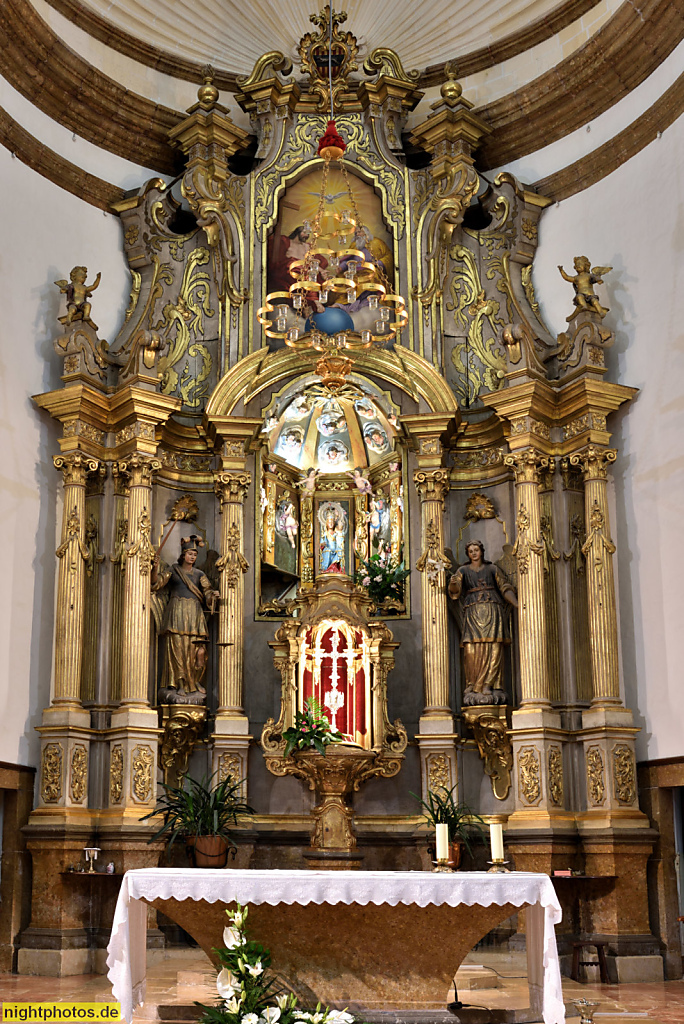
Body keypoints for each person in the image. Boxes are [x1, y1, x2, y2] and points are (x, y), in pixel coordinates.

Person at [448, 540, 518, 706]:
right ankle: (474, 685)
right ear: (467, 553)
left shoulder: (492, 569)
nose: (473, 553)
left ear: (482, 551)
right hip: (472, 613)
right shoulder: (462, 570)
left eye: (476, 550)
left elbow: (505, 587)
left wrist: (517, 603)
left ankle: (490, 684)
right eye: (470, 550)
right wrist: (452, 584)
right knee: (471, 651)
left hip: (493, 610)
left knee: (494, 647)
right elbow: (455, 590)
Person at [151, 535, 220, 696]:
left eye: (195, 554)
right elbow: (156, 583)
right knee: (177, 649)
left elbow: (207, 591)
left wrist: (213, 596)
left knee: (197, 650)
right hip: (176, 612)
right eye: (190, 554)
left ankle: (194, 682)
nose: (192, 557)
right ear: (183, 554)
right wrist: (154, 567)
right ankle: (178, 683)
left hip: (195, 614)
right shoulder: (173, 571)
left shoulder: (199, 574)